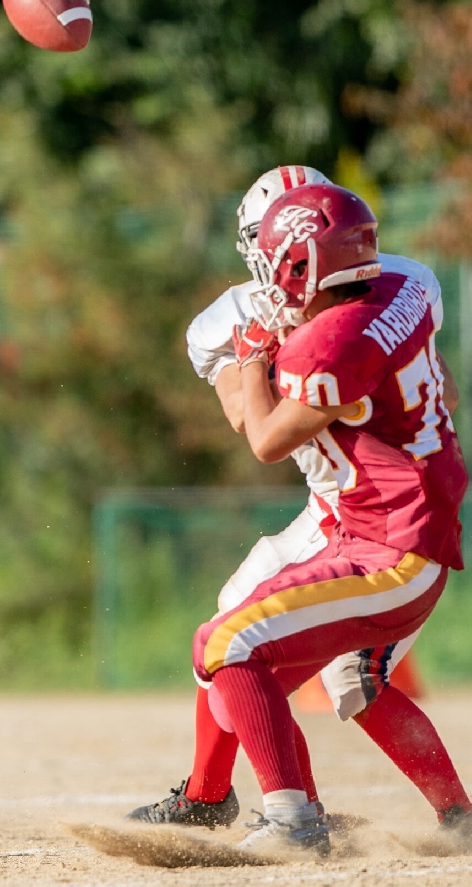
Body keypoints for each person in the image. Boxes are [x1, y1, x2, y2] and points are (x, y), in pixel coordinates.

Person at [130, 168, 472, 839]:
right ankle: (212, 794)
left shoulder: (324, 331)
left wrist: (264, 359)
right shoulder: (404, 282)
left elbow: (262, 434)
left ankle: (290, 814)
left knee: (243, 647)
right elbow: (442, 390)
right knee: (255, 638)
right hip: (366, 505)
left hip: (370, 520)